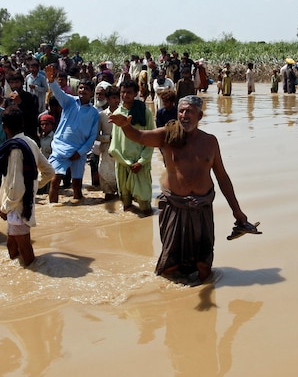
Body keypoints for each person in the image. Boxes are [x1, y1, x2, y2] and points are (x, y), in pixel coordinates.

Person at [109, 95, 258, 284]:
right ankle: (173, 300)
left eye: (190, 111)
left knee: (204, 265)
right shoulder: (168, 135)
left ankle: (202, 295)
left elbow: (222, 178)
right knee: (170, 266)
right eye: (181, 111)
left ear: (200, 115)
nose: (184, 115)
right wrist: (125, 126)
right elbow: (139, 137)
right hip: (174, 207)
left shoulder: (210, 142)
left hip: (202, 208)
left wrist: (237, 212)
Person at [0, 108, 55, 267]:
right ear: (22, 124)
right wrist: (34, 186)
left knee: (24, 247)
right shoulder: (31, 142)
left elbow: (15, 185)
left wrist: (5, 208)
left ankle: (33, 278)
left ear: (3, 126)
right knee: (11, 245)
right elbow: (49, 172)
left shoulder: (15, 148)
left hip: (17, 205)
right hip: (23, 202)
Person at [44, 64, 100, 203]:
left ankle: (78, 204)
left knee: (76, 185)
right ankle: (53, 209)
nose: (82, 90)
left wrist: (80, 152)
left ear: (91, 92)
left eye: (86, 89)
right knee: (55, 181)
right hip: (60, 147)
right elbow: (58, 92)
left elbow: (92, 137)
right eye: (81, 88)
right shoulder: (69, 101)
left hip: (78, 152)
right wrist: (51, 81)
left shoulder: (94, 113)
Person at [109, 80, 155, 213]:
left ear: (135, 93)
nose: (125, 95)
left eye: (129, 92)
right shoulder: (117, 114)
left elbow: (151, 139)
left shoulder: (145, 112)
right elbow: (115, 142)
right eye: (123, 92)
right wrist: (123, 160)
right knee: (125, 200)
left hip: (140, 163)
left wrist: (141, 161)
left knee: (144, 201)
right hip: (123, 162)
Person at [97, 86, 121, 201]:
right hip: (106, 151)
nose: (116, 100)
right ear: (107, 99)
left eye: (118, 98)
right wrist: (108, 138)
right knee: (107, 186)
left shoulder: (124, 114)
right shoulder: (102, 115)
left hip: (121, 151)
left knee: (122, 186)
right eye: (114, 97)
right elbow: (96, 135)